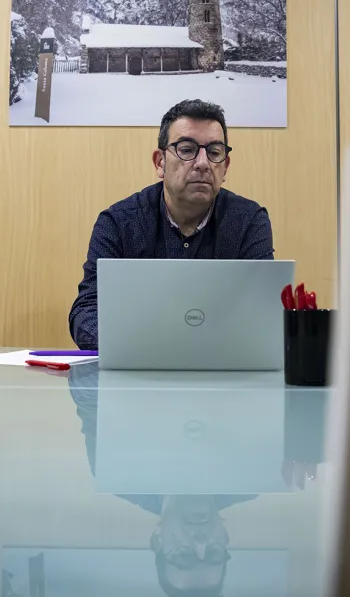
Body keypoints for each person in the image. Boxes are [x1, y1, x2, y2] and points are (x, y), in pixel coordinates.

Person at [69, 99, 275, 350]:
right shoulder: (119, 222)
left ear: (225, 166)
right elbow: (87, 310)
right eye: (187, 150)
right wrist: (138, 349)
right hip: (138, 373)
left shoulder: (248, 221)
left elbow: (264, 312)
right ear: (160, 163)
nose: (202, 163)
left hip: (222, 376)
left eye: (214, 152)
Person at [67, 362, 251, 596]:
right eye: (214, 554)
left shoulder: (115, 474)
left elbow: (85, 385)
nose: (201, 543)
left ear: (158, 541)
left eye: (185, 556)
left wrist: (149, 354)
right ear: (225, 539)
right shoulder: (256, 477)